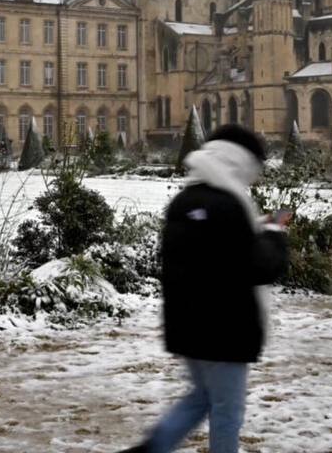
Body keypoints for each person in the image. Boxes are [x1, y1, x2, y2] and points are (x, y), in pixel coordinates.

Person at [119, 125, 289, 453]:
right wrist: (273, 233)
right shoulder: (231, 205)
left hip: (187, 324)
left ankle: (154, 446)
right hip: (226, 328)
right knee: (227, 412)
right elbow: (259, 267)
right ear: (241, 163)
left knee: (200, 399)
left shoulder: (185, 199)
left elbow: (202, 255)